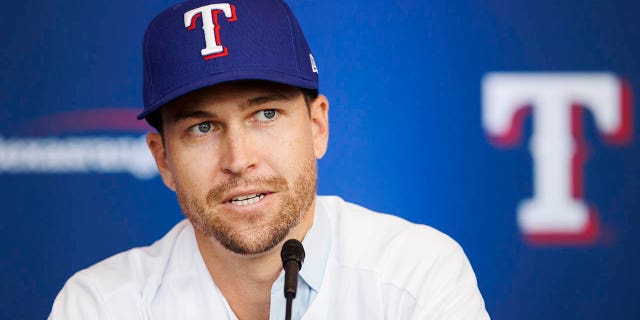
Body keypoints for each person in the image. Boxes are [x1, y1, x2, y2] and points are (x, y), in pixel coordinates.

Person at [49, 0, 490, 319]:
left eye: (265, 114)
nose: (239, 160)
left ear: (317, 126)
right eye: (202, 128)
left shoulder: (415, 275)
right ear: (163, 159)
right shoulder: (99, 304)